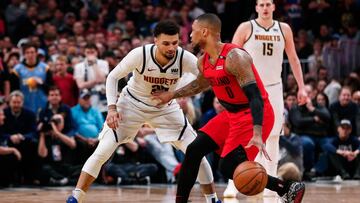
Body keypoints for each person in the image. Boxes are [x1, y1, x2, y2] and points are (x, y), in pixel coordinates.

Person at [153, 13, 305, 203]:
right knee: (194, 149)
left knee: (228, 167)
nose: (189, 35)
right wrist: (172, 94)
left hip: (255, 113)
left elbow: (255, 97)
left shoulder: (235, 57)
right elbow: (200, 85)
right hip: (231, 114)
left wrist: (257, 133)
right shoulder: (203, 61)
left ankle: (286, 188)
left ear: (205, 32)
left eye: (193, 31)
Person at [66, 20, 219, 203]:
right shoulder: (140, 54)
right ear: (155, 41)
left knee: (195, 151)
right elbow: (113, 77)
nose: (171, 47)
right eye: (166, 43)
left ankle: (212, 199)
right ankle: (76, 197)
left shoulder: (185, 58)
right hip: (132, 104)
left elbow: (207, 80)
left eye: (175, 42)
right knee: (103, 150)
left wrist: (174, 94)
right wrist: (112, 108)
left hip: (165, 108)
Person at [228, 0, 307, 198]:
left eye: (268, 4)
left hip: (274, 89)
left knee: (273, 137)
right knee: (243, 136)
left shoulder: (284, 29)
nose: (264, 8)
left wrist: (302, 88)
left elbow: (294, 59)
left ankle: (271, 185)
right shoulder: (246, 28)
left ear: (273, 7)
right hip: (250, 88)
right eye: (261, 4)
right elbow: (231, 57)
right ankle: (233, 182)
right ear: (255, 7)